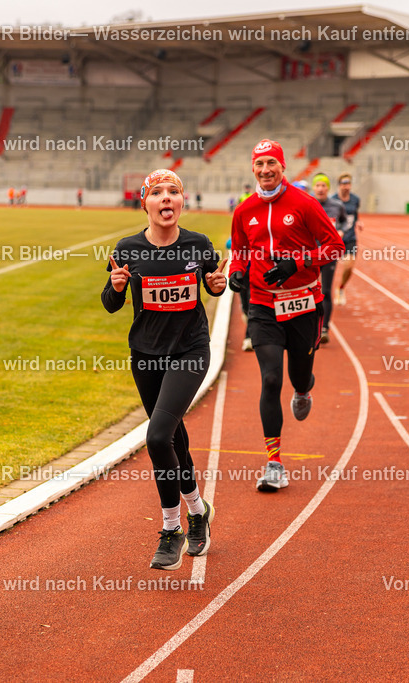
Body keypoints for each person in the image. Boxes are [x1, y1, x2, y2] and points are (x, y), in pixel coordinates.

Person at [102, 169, 226, 570]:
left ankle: (171, 528)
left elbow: (214, 286)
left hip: (189, 352)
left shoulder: (199, 244)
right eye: (157, 192)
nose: (166, 198)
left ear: (182, 201)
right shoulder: (128, 248)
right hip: (146, 356)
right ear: (146, 203)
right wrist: (117, 286)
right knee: (175, 440)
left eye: (174, 191)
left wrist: (220, 284)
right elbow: (109, 302)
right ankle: (198, 511)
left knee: (157, 437)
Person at [229, 141, 343, 492]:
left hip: (304, 304)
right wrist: (237, 270)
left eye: (271, 164)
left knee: (298, 376)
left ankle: (305, 389)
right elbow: (240, 248)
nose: (265, 171)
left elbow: (336, 246)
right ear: (253, 168)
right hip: (263, 306)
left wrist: (298, 262)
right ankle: (274, 463)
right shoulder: (244, 210)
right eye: (259, 164)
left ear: (282, 167)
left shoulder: (305, 204)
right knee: (271, 379)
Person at [310, 173, 347, 344]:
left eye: (323, 185)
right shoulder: (307, 204)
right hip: (309, 255)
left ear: (327, 188)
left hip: (328, 255)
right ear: (314, 188)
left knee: (325, 291)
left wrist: (340, 231)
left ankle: (324, 328)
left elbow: (345, 222)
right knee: (308, 290)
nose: (320, 188)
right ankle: (309, 326)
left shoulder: (336, 206)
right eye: (317, 185)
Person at [334, 172, 362, 305]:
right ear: (339, 185)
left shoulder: (355, 199)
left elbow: (355, 215)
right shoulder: (333, 200)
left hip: (350, 237)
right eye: (344, 184)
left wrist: (359, 222)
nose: (346, 186)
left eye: (348, 184)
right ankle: (325, 291)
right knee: (325, 269)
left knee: (349, 266)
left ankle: (341, 288)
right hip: (335, 238)